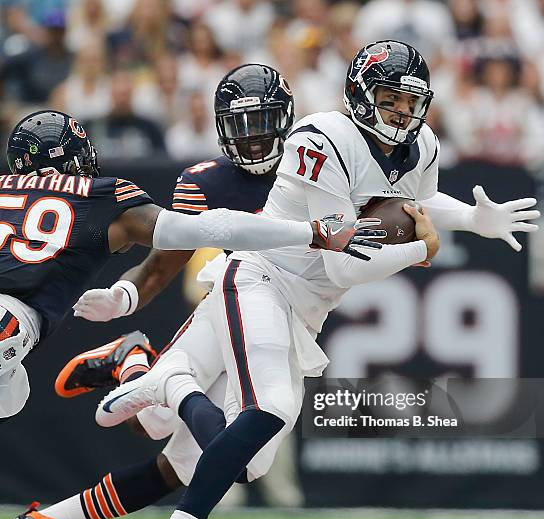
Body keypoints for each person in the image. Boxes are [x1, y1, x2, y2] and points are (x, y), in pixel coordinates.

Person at [99, 40, 538, 519]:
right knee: (274, 407)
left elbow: (414, 206)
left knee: (253, 461)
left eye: (410, 101)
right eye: (389, 99)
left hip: (304, 308)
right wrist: (420, 249)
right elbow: (344, 265)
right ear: (359, 95)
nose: (402, 113)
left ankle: (154, 378)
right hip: (263, 279)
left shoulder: (422, 142)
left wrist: (474, 218)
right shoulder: (323, 139)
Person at [4, 64, 379, 519]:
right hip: (243, 294)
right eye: (241, 126)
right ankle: (151, 375)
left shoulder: (320, 165)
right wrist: (124, 297)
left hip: (288, 315)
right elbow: (169, 254)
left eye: (263, 123)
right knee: (238, 453)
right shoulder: (195, 181)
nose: (253, 139)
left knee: (179, 459)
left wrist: (446, 224)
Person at [0, 108, 374, 424]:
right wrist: (310, 231)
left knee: (161, 426)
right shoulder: (102, 195)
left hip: (13, 322)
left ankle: (137, 368)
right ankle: (137, 367)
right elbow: (211, 227)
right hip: (13, 322)